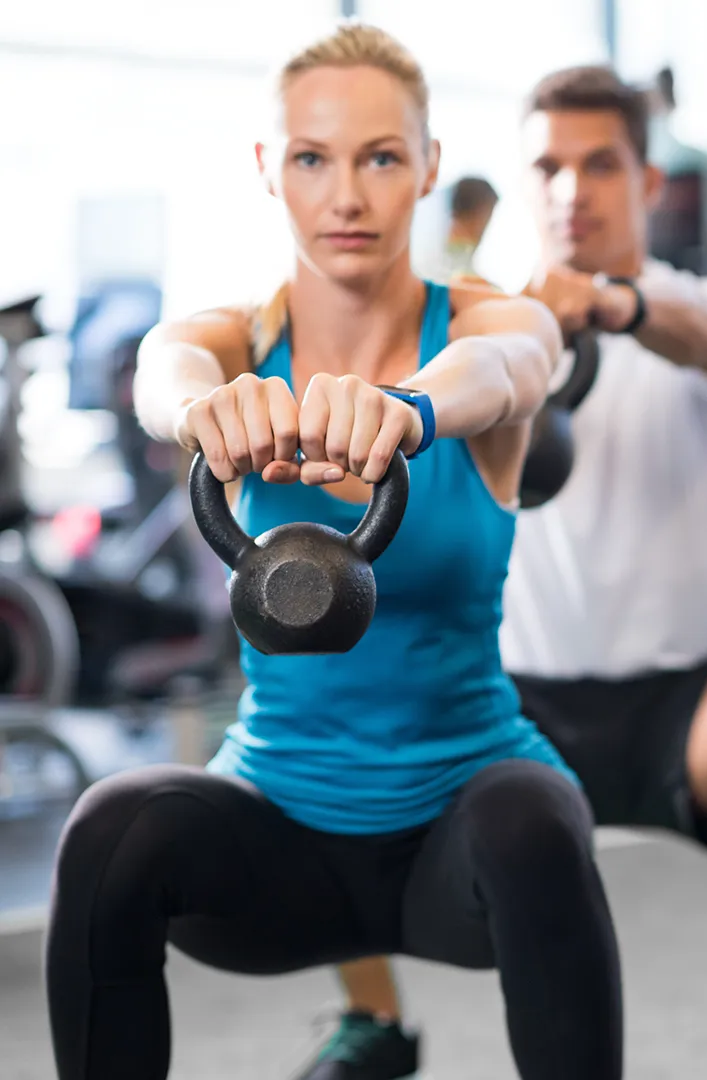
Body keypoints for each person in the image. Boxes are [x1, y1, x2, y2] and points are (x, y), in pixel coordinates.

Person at [43, 24, 622, 1080]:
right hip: (278, 839)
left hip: (470, 840)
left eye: (381, 157)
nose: (346, 197)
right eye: (313, 158)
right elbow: (161, 371)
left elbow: (514, 366)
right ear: (270, 170)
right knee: (111, 829)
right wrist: (208, 414)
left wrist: (408, 410)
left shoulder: (488, 324)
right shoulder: (233, 341)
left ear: (427, 168)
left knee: (535, 821)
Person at [309, 64, 707, 1079]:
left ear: (646, 176)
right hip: (514, 717)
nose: (571, 190)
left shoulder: (704, 307)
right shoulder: (469, 330)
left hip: (691, 707)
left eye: (599, 165)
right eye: (548, 165)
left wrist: (616, 307)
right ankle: (374, 1025)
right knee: (315, 690)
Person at [420, 174, 498, 283]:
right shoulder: (457, 250)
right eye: (489, 215)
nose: (486, 226)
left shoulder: (431, 242)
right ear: (480, 213)